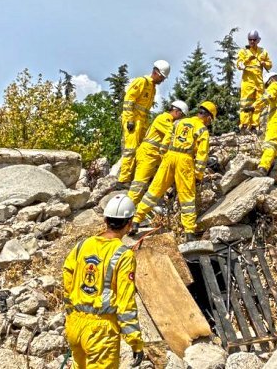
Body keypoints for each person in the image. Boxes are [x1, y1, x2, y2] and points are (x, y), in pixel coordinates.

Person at [62, 194, 144, 369]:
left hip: (75, 325)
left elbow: (67, 277)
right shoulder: (123, 255)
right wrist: (135, 341)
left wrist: (71, 312)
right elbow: (126, 303)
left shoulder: (83, 245)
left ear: (105, 220)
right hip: (101, 332)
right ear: (129, 224)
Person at [132, 101, 217, 242]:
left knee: (154, 191)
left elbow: (165, 142)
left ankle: (136, 220)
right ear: (208, 117)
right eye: (210, 119)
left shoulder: (179, 122)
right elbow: (202, 155)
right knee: (187, 198)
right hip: (185, 161)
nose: (209, 122)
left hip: (169, 157)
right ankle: (189, 232)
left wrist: (165, 156)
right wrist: (198, 175)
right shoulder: (202, 130)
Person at [118, 60, 171, 185]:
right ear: (156, 72)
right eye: (162, 77)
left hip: (142, 121)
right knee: (130, 149)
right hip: (133, 120)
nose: (162, 80)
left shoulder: (152, 88)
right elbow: (129, 101)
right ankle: (123, 180)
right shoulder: (142, 81)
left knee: (141, 149)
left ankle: (137, 176)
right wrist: (130, 119)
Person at [127, 100, 189, 206]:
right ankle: (125, 212)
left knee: (151, 185)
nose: (181, 118)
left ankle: (137, 210)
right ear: (176, 111)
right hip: (148, 154)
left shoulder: (168, 120)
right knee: (139, 184)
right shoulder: (164, 118)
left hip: (154, 156)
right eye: (182, 115)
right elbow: (174, 134)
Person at [243, 72, 277, 177]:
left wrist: (254, 106)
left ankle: (263, 169)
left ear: (270, 80)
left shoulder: (275, 85)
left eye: (267, 85)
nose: (267, 87)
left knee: (271, 143)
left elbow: (267, 96)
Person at [236, 30, 272, 133]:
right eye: (250, 40)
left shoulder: (263, 51)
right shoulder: (243, 51)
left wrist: (264, 63)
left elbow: (270, 65)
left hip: (259, 82)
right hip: (248, 81)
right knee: (246, 103)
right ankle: (244, 125)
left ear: (258, 40)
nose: (252, 42)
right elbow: (239, 65)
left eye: (254, 40)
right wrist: (247, 60)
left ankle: (254, 126)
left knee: (259, 103)